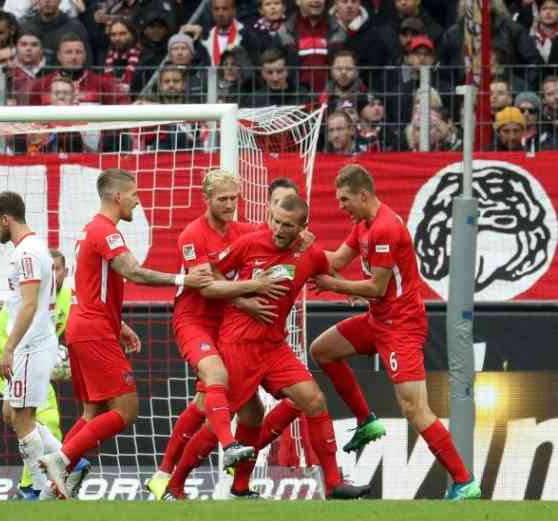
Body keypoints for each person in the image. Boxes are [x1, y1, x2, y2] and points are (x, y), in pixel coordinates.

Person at [163, 194, 371, 500]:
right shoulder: (251, 243)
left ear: (302, 226)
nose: (277, 229)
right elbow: (213, 274)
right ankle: (175, 483)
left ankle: (333, 483)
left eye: (286, 225)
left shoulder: (309, 253)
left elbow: (331, 267)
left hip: (274, 346)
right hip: (239, 343)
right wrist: (243, 300)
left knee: (313, 400)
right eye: (274, 220)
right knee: (226, 420)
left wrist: (356, 292)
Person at [310, 164, 481, 501]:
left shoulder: (386, 228)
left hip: (401, 326)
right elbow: (335, 260)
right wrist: (301, 251)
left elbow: (376, 286)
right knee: (322, 350)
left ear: (363, 194)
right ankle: (366, 420)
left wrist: (332, 285)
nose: (340, 205)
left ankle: (464, 482)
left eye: (344, 199)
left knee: (415, 408)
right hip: (378, 320)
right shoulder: (362, 224)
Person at [38, 168, 212, 499]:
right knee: (126, 411)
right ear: (117, 197)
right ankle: (61, 459)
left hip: (87, 325)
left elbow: (93, 288)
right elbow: (133, 271)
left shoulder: (92, 229)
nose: (138, 200)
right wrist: (183, 280)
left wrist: (119, 325)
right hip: (93, 331)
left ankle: (54, 489)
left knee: (94, 414)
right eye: (134, 194)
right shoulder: (106, 232)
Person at [145, 170, 292, 500]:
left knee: (246, 411)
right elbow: (208, 289)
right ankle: (228, 446)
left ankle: (178, 479)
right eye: (222, 199)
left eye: (233, 198)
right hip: (194, 320)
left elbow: (280, 237)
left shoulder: (244, 231)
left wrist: (303, 237)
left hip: (228, 324)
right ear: (206, 199)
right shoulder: (192, 235)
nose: (229, 205)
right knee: (216, 375)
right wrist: (252, 290)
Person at [0, 192, 66, 501]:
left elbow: (29, 305)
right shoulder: (33, 248)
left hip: (30, 345)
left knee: (22, 419)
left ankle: (46, 490)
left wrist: (9, 348)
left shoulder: (27, 253)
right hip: (33, 344)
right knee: (12, 413)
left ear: (6, 219)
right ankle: (70, 462)